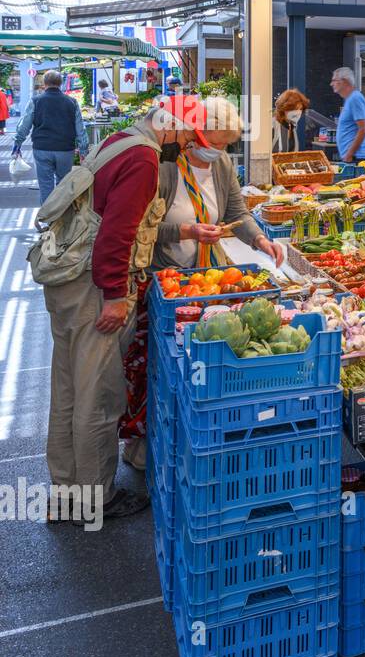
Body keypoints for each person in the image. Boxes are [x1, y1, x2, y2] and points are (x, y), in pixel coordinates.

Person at [39, 95, 192, 522]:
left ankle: (67, 490)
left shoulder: (118, 139)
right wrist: (114, 295)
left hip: (66, 281)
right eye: (183, 136)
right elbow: (117, 234)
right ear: (169, 128)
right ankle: (95, 498)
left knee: (68, 388)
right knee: (97, 394)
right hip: (92, 285)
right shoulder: (143, 158)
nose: (183, 145)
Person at [118, 96, 285, 468]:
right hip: (165, 279)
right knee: (153, 365)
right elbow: (142, 229)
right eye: (217, 143)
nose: (221, 151)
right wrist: (186, 231)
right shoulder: (162, 165)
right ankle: (143, 442)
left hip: (208, 279)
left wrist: (259, 240)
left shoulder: (222, 165)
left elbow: (235, 213)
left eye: (227, 144)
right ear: (194, 135)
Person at [12, 70, 89, 204]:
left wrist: (17, 143)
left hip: (42, 149)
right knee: (63, 184)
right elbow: (80, 128)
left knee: (45, 185)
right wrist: (83, 150)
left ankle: (48, 220)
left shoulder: (35, 101)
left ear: (44, 83)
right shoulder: (72, 102)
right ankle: (61, 217)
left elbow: (25, 125)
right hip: (65, 149)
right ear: (61, 83)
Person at [331, 66, 365, 163]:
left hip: (358, 158)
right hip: (354, 157)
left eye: (334, 80)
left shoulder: (355, 98)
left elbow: (363, 129)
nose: (331, 84)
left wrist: (349, 154)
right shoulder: (350, 99)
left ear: (344, 81)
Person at [274, 88, 311, 152]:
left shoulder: (291, 126)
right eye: (293, 109)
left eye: (300, 109)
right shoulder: (273, 126)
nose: (297, 112)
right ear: (283, 108)